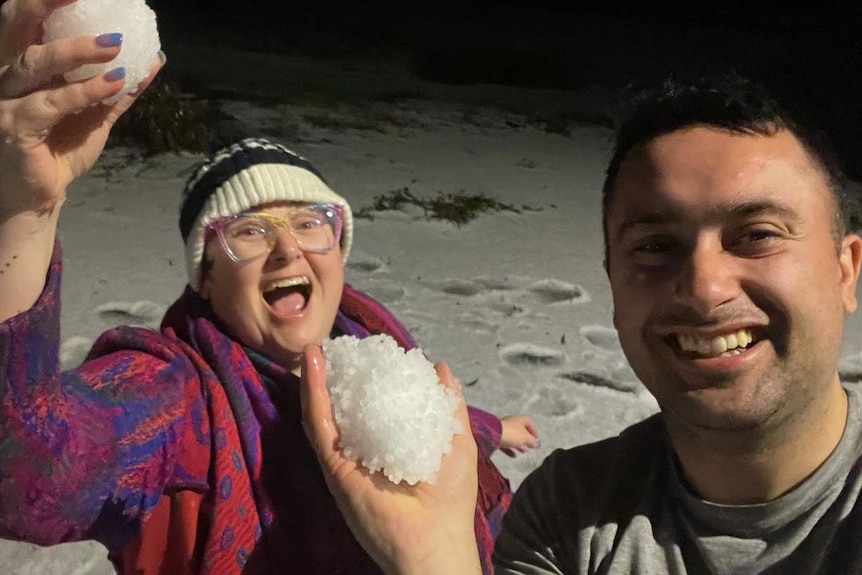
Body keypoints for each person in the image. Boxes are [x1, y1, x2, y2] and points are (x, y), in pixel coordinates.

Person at [0, 1, 539, 573]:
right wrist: (24, 215)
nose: (289, 248)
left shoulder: (375, 345)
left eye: (310, 223)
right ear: (205, 277)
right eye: (250, 231)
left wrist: (490, 427)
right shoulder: (174, 403)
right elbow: (29, 472)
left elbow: (424, 430)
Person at [299, 71, 862, 574]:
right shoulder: (569, 516)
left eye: (757, 235)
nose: (704, 287)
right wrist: (433, 558)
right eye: (656, 245)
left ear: (846, 270)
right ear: (613, 280)